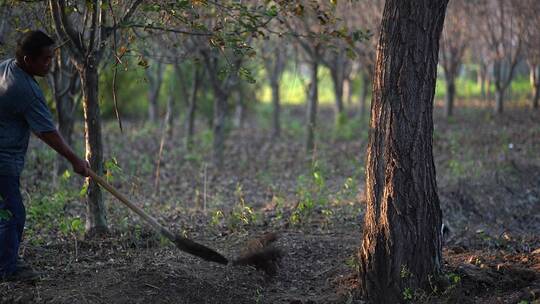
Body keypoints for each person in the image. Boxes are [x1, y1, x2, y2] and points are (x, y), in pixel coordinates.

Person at [0, 30, 90, 282]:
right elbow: (48, 133)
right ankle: (8, 268)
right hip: (3, 162)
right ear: (28, 59)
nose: (50, 64)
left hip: (7, 157)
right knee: (13, 212)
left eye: (52, 58)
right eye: (46, 59)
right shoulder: (25, 89)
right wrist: (75, 160)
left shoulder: (6, 67)